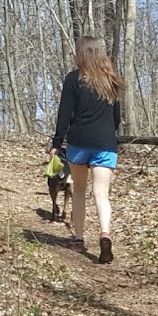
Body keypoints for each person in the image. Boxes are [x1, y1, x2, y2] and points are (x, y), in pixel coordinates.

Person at [50, 35, 124, 264]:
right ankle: (105, 235)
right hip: (105, 143)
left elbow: (64, 114)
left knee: (80, 190)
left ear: (81, 54)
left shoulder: (74, 79)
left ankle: (79, 238)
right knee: (101, 194)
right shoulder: (111, 80)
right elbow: (116, 118)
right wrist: (107, 135)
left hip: (79, 143)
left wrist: (56, 142)